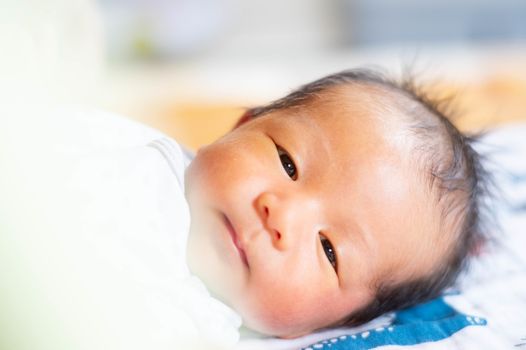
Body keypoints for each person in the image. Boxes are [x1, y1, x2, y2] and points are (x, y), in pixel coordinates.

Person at [185, 68, 489, 338]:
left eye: (328, 250)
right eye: (287, 163)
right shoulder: (143, 160)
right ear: (241, 126)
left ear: (325, 325)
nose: (281, 217)